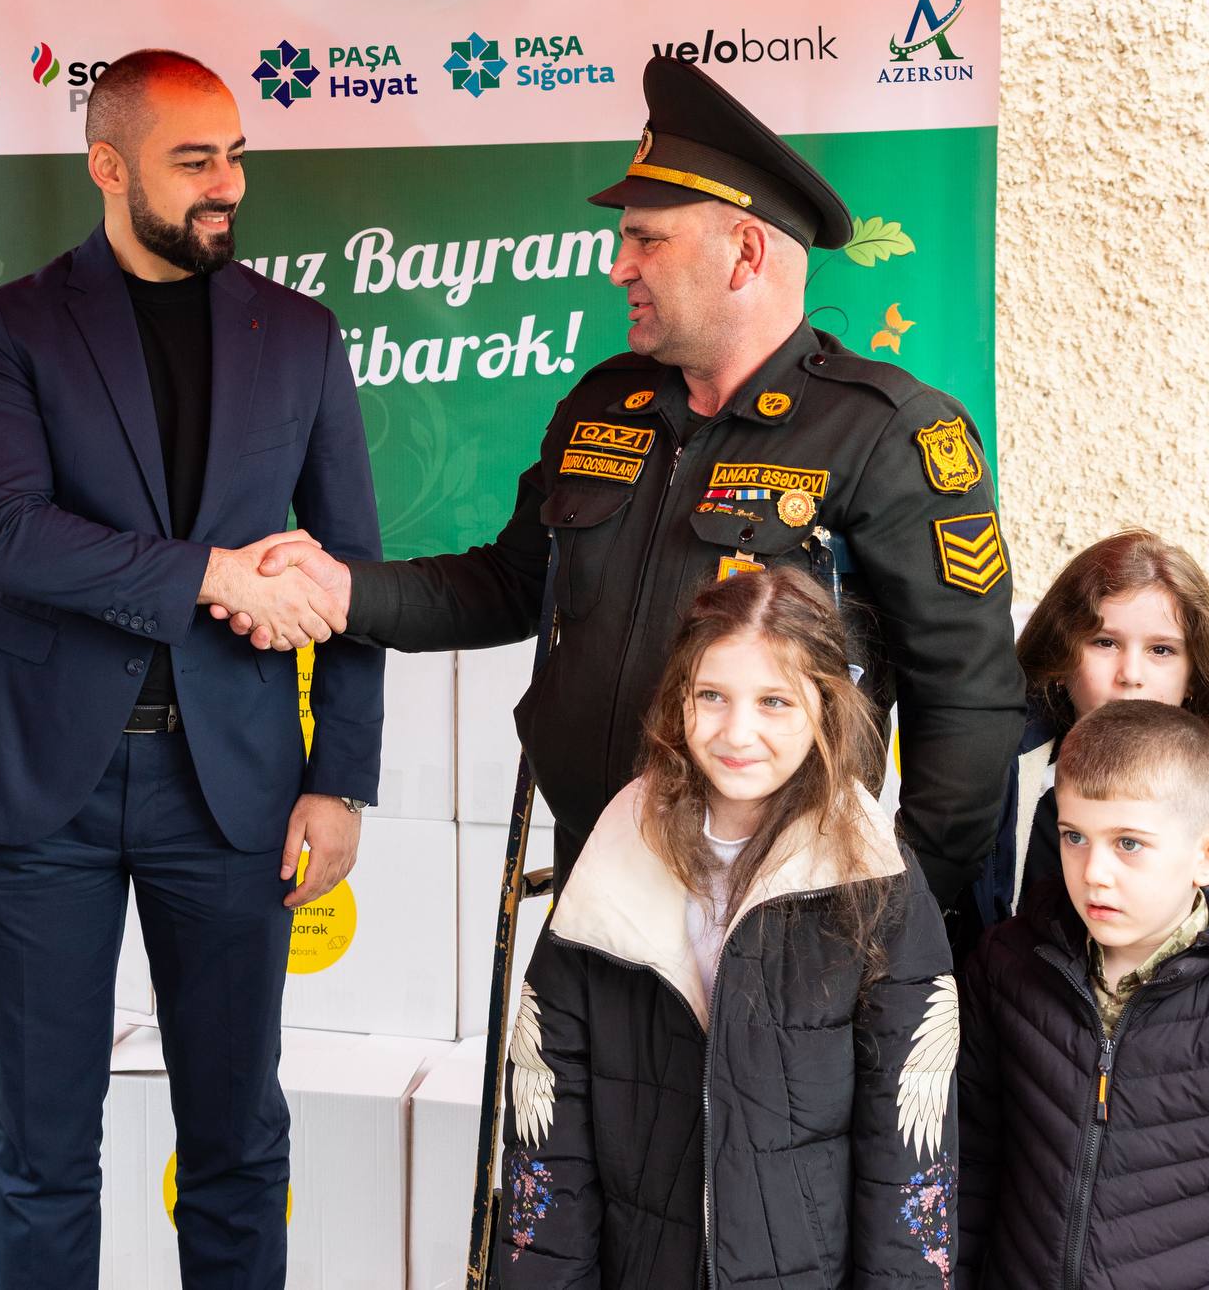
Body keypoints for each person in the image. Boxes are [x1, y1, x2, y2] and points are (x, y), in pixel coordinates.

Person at [225, 54, 1022, 906]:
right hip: (594, 875)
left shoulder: (887, 432)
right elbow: (509, 585)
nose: (619, 266)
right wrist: (343, 592)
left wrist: (901, 912)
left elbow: (967, 699)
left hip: (770, 902)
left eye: (647, 239)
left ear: (745, 253)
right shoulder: (605, 403)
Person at [0, 49, 383, 1290]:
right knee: (42, 1146)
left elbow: (351, 569)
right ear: (108, 164)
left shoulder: (300, 334)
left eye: (234, 155)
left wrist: (340, 776)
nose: (225, 183)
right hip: (45, 790)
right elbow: (7, 535)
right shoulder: (13, 324)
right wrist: (211, 573)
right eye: (195, 160)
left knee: (237, 1139)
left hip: (235, 788)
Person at [495, 566, 956, 1289]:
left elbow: (909, 1157)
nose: (739, 732)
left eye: (775, 701)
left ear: (826, 707)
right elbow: (548, 1136)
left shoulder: (874, 879)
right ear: (681, 699)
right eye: (712, 696)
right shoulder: (614, 860)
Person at [958, 700, 1209, 1289]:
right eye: (1074, 836)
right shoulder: (1007, 968)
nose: (1094, 872)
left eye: (1128, 843)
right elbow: (967, 1170)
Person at [981, 531, 1209, 948]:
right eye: (1105, 642)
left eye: (1161, 650)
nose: (1131, 674)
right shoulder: (1002, 777)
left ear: (1195, 672)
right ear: (1062, 660)